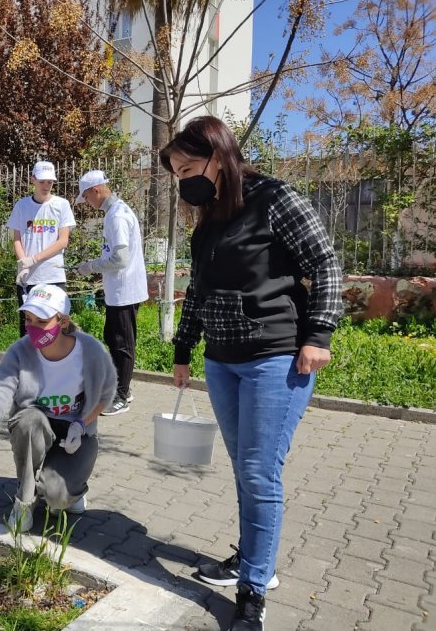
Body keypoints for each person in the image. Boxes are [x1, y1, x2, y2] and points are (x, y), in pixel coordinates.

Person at [160, 116, 342, 631]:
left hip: (276, 360)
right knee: (246, 470)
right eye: (176, 173)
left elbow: (325, 263)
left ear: (219, 155)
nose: (184, 180)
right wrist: (183, 348)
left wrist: (319, 334)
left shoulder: (274, 199)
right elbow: (197, 290)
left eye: (189, 167)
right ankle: (249, 559)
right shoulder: (210, 217)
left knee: (260, 473)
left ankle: (254, 592)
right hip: (222, 362)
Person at [0, 284, 116, 532]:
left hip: (76, 431)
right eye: (28, 319)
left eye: (42, 321)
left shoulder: (90, 351)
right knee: (28, 420)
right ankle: (24, 501)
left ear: (63, 321)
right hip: (36, 425)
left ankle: (72, 492)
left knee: (57, 497)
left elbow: (106, 393)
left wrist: (81, 424)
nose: (33, 327)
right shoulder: (20, 352)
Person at [75, 170, 148, 416]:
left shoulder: (116, 216)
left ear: (96, 190)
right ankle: (121, 387)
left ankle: (121, 395)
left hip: (124, 290)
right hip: (119, 290)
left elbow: (120, 258)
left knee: (122, 343)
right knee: (114, 337)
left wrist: (91, 267)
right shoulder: (116, 211)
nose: (86, 203)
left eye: (86, 197)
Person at [8, 161, 76, 336]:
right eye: (42, 181)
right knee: (29, 328)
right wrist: (23, 263)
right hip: (29, 279)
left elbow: (62, 241)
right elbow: (17, 239)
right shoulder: (22, 206)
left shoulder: (62, 205)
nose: (46, 186)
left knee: (57, 325)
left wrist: (34, 259)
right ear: (33, 180)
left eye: (50, 182)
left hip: (53, 275)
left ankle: (57, 362)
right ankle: (29, 363)